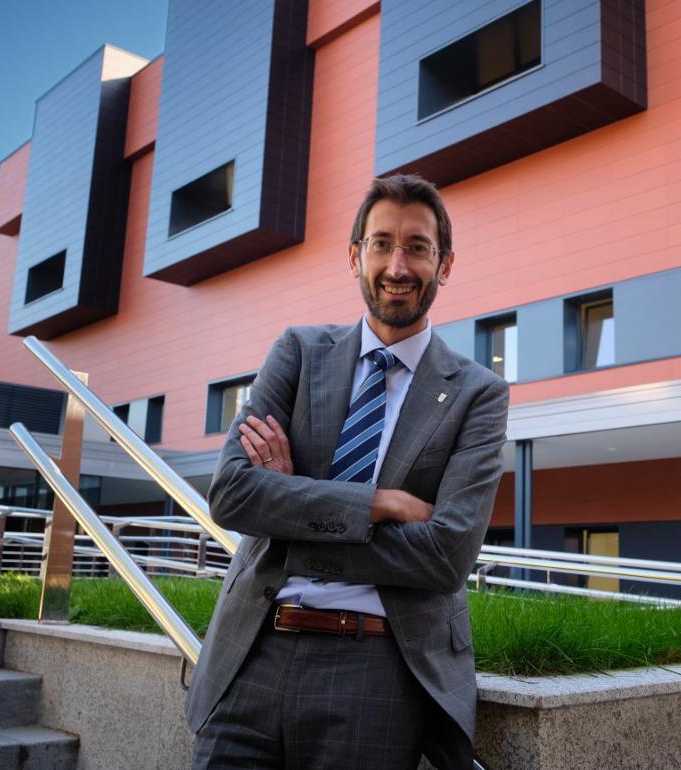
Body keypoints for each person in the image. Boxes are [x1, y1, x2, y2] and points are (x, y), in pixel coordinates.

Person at [187, 174, 510, 769]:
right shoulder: (299, 352)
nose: (397, 265)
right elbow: (232, 493)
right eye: (382, 243)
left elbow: (447, 554)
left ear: (445, 265)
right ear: (355, 255)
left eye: (417, 246)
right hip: (250, 657)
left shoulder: (478, 394)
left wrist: (290, 508)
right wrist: (376, 504)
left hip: (376, 673)